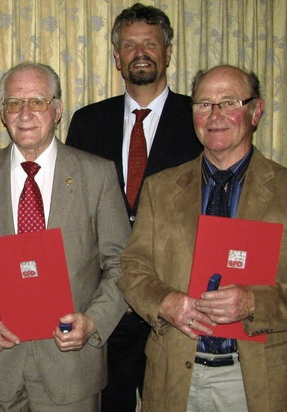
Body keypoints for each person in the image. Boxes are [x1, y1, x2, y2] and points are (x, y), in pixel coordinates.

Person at [0, 62, 130, 410]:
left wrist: (93, 322)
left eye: (37, 101)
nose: (25, 114)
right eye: (14, 103)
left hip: (70, 367)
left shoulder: (97, 174)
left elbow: (122, 263)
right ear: (3, 114)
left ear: (58, 109)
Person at [119, 65, 287, 412]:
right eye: (204, 104)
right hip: (175, 378)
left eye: (229, 102)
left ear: (256, 111)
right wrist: (166, 303)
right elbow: (132, 269)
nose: (215, 115)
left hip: (257, 381)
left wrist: (254, 302)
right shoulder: (160, 188)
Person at [65, 4, 203, 410]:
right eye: (129, 45)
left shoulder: (199, 119)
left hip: (172, 301)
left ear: (168, 51)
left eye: (150, 43)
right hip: (105, 308)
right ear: (116, 57)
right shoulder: (88, 121)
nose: (139, 52)